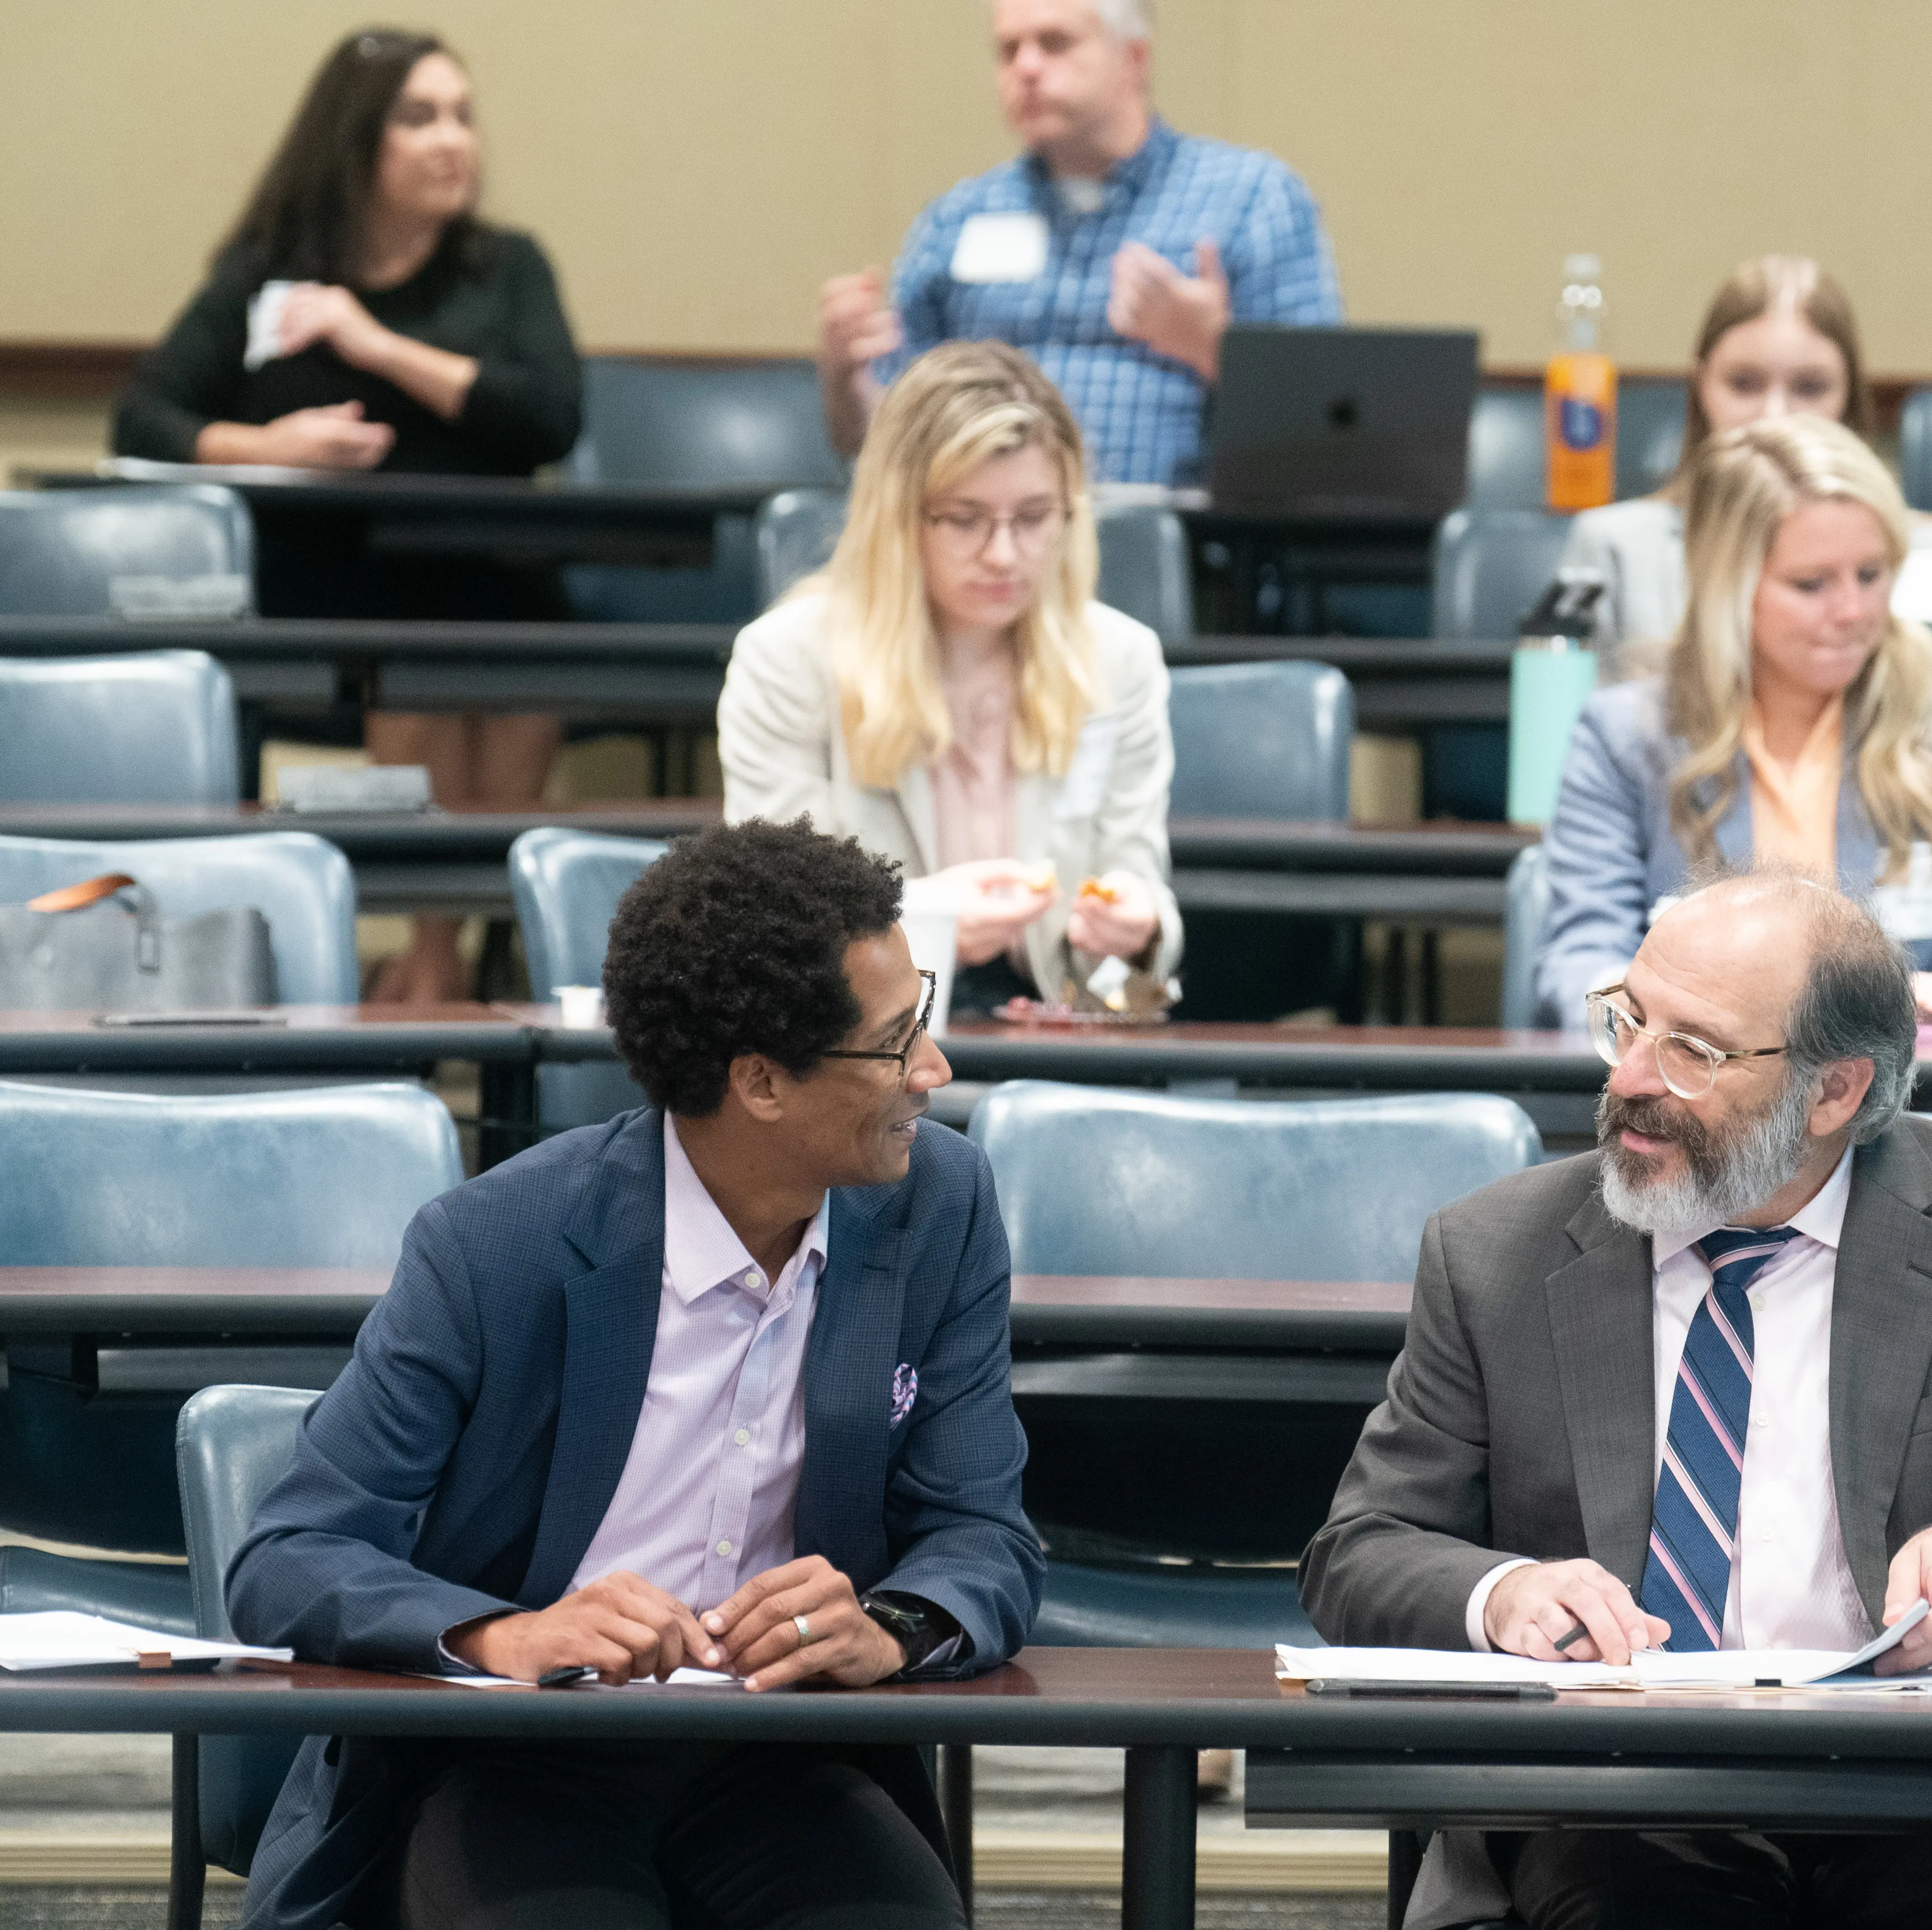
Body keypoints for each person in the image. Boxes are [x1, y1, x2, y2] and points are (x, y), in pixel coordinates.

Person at [228, 816, 1043, 1930]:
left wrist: (889, 1622)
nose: (935, 1070)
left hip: (783, 1755)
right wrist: (500, 1635)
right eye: (896, 1040)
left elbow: (983, 1532)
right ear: (759, 1080)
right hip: (520, 1758)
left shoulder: (940, 1204)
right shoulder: (497, 1244)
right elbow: (289, 1553)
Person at [1302, 871, 1932, 1930]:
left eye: (1691, 1049)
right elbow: (1360, 1548)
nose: (1631, 1075)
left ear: (1834, 1091)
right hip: (1620, 1784)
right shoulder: (1491, 1250)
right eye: (1627, 1018)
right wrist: (1502, 1589)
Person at [113, 28, 586, 1003]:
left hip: (494, 577)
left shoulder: (505, 267)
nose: (453, 140)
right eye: (420, 118)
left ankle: (436, 959)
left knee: (518, 647)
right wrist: (270, 447)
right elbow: (145, 417)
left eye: (462, 115)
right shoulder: (269, 272)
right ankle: (433, 954)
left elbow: (547, 416)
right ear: (355, 140)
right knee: (414, 651)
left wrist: (374, 345)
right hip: (331, 583)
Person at [1532, 414, 1932, 1027]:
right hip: (1695, 1098)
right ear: (1729, 586)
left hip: (1911, 1104)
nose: (1854, 611)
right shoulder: (1625, 735)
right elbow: (1578, 965)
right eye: (1811, 584)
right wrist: (1665, 1018)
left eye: (1870, 574)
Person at [719, 340, 1181, 1015]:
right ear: (898, 516)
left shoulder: (1118, 659)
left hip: (1051, 1028)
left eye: (1033, 518)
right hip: (855, 1037)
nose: (1004, 554)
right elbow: (771, 925)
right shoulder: (787, 658)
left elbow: (1136, 895)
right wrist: (924, 923)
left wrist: (1138, 931)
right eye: (964, 519)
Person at [816, 0, 1341, 485]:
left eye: (1055, 43)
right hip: (988, 540)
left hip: (1181, 553)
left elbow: (1326, 429)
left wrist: (1215, 348)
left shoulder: (1249, 199)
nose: (1025, 68)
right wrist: (847, 383)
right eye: (1008, 50)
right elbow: (884, 443)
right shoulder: (957, 220)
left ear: (1134, 59)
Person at [1557, 256, 1932, 736]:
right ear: (1702, 386)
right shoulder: (1614, 544)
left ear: (1849, 395)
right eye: (1744, 384)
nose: (1775, 414)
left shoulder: (1930, 548)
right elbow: (1575, 757)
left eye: (1810, 387)